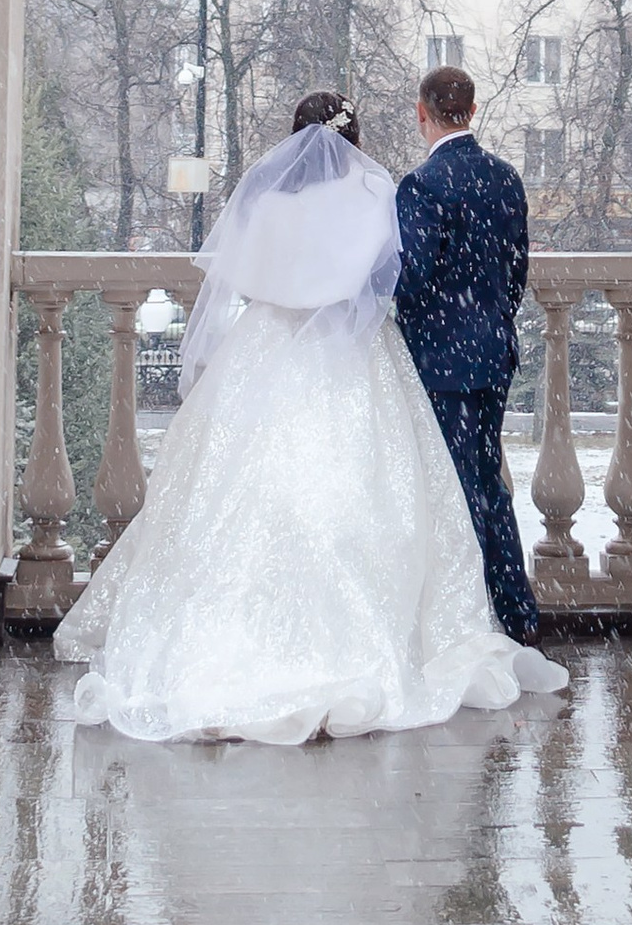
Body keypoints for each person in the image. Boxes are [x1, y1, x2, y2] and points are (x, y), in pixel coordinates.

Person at [54, 94, 566, 747]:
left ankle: (224, 646)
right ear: (352, 137)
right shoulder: (372, 191)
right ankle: (370, 640)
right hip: (350, 360)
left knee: (238, 503)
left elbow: (242, 281)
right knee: (359, 497)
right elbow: (386, 278)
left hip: (263, 357)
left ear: (294, 137)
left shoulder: (265, 200)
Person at [392, 64, 542, 643]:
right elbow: (516, 272)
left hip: (440, 362)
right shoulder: (505, 179)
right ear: (472, 111)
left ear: (421, 112)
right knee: (486, 481)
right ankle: (513, 612)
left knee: (458, 489)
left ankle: (475, 619)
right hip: (492, 353)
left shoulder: (423, 185)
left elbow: (414, 278)